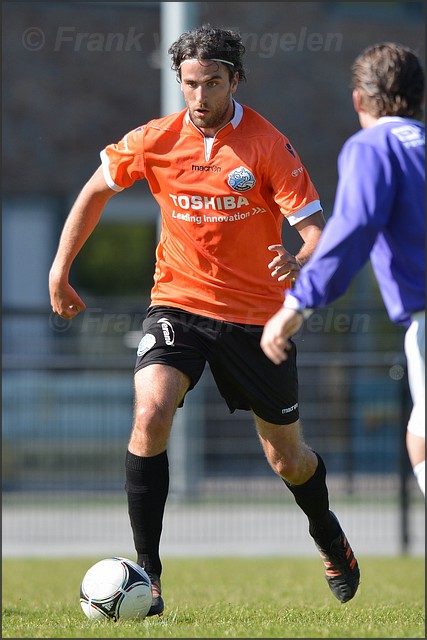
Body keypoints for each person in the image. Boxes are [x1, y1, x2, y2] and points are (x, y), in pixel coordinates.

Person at [49, 25, 360, 614]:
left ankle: (325, 531)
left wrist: (297, 259)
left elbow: (319, 232)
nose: (198, 97)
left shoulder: (268, 144)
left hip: (258, 321)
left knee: (287, 460)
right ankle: (149, 573)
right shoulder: (155, 139)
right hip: (179, 304)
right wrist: (60, 269)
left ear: (234, 80)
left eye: (211, 83)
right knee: (150, 412)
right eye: (189, 84)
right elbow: (94, 192)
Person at [261, 42, 425, 498]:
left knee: (423, 439)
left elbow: (353, 230)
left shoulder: (372, 146)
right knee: (421, 434)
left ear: (358, 100)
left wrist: (298, 304)